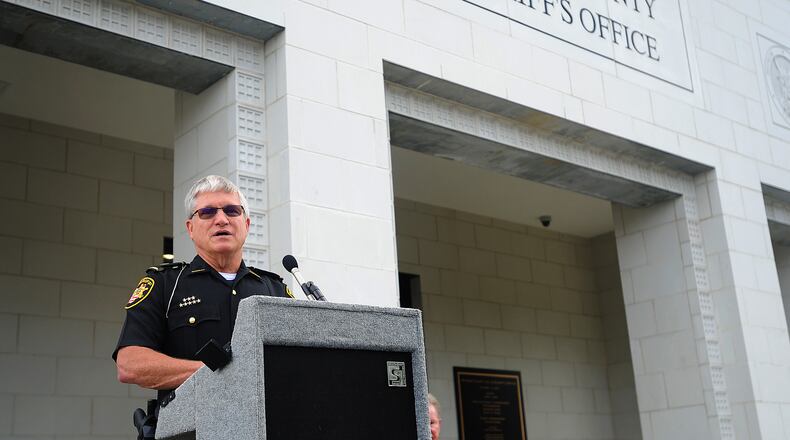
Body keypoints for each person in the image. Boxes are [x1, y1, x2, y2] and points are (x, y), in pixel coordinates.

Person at [113, 175, 292, 403]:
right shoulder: (165, 284)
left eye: (232, 211)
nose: (222, 220)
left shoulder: (274, 289)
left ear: (246, 225)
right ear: (190, 228)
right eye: (207, 212)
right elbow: (130, 364)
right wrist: (217, 372)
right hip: (193, 422)